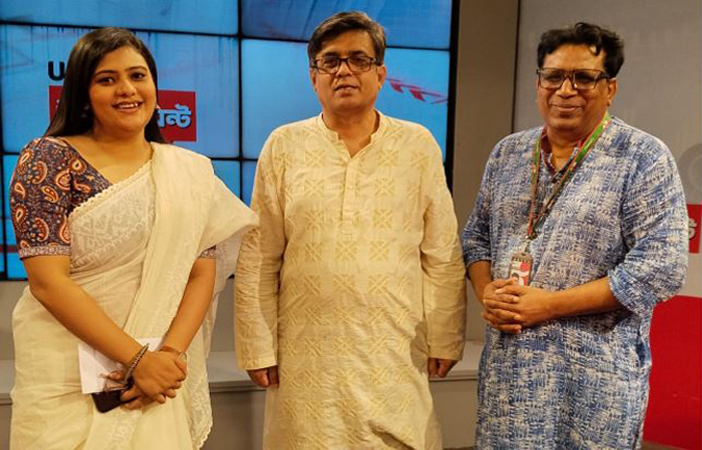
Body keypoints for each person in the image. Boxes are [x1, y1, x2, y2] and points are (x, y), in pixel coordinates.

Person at [9, 27, 257, 449]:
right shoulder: (48, 159)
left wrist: (168, 358)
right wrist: (137, 359)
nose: (126, 89)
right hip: (66, 378)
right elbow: (48, 282)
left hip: (159, 376)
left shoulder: (189, 171)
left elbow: (202, 271)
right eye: (107, 79)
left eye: (137, 76)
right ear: (83, 93)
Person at [234, 11, 466, 449]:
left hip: (394, 348)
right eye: (330, 61)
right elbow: (259, 255)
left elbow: (442, 252)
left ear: (380, 74)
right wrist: (257, 346)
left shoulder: (417, 145)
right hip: (306, 355)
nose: (344, 70)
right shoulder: (284, 145)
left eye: (359, 59)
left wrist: (446, 337)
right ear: (313, 77)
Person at [462, 22, 688, 449]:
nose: (566, 90)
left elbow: (661, 267)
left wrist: (549, 305)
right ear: (539, 83)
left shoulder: (642, 157)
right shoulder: (508, 153)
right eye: (554, 76)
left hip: (594, 381)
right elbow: (476, 238)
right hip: (509, 378)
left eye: (583, 78)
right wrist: (487, 291)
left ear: (610, 88)